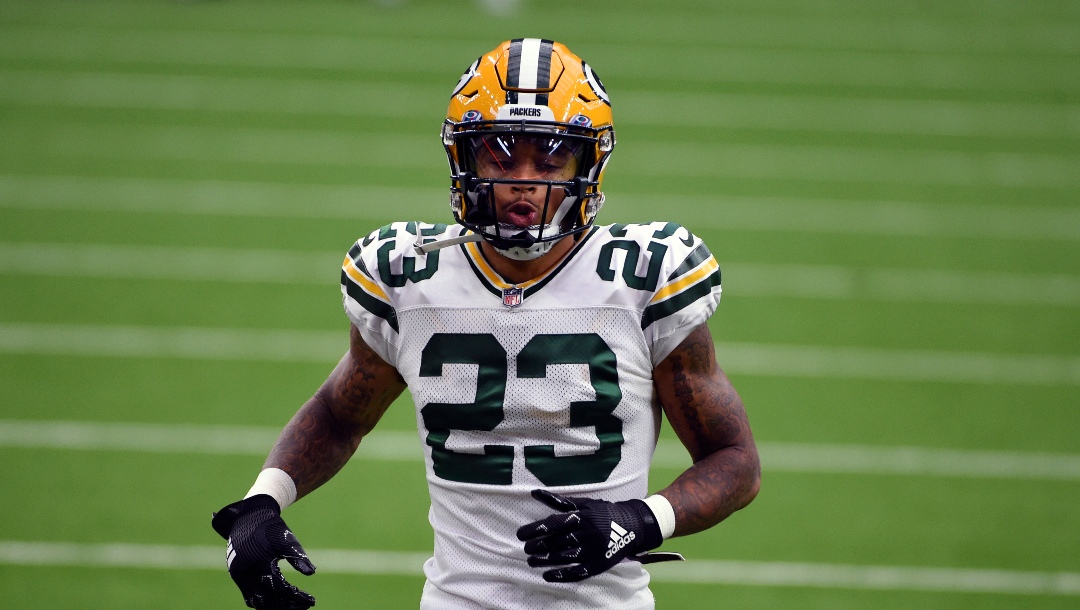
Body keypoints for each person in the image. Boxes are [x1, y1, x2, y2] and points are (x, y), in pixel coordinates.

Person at [212, 38, 760, 610]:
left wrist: (643, 520)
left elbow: (735, 460)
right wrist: (263, 501)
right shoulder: (408, 277)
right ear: (464, 159)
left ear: (588, 164)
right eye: (501, 155)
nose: (524, 179)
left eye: (550, 157)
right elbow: (338, 414)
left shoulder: (643, 279)